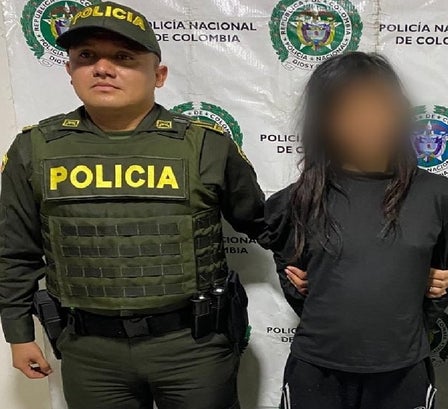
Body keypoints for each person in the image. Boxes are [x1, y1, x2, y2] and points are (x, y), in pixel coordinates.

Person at [0, 2, 265, 408]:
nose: (103, 69)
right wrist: (18, 334)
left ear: (158, 75)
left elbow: (261, 221)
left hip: (192, 347)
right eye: (87, 56)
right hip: (91, 352)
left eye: (124, 57)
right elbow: (14, 251)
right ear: (69, 70)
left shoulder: (205, 144)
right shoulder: (34, 149)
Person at [260, 52, 448, 409]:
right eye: (348, 109)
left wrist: (410, 287)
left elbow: (447, 278)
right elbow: (297, 282)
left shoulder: (442, 198)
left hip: (403, 372)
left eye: (378, 105)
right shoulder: (296, 201)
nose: (367, 121)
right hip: (316, 370)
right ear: (324, 121)